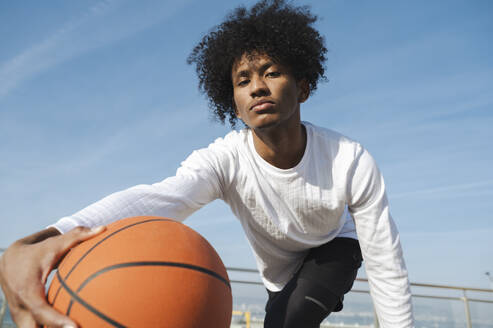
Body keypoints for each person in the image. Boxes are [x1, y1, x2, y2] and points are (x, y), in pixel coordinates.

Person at [0, 0, 414, 327]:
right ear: (232, 102)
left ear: (303, 87)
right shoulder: (226, 159)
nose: (257, 87)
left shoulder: (349, 159)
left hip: (333, 246)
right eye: (243, 80)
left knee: (294, 320)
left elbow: (385, 260)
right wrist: (40, 241)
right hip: (279, 271)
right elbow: (160, 199)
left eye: (271, 72)